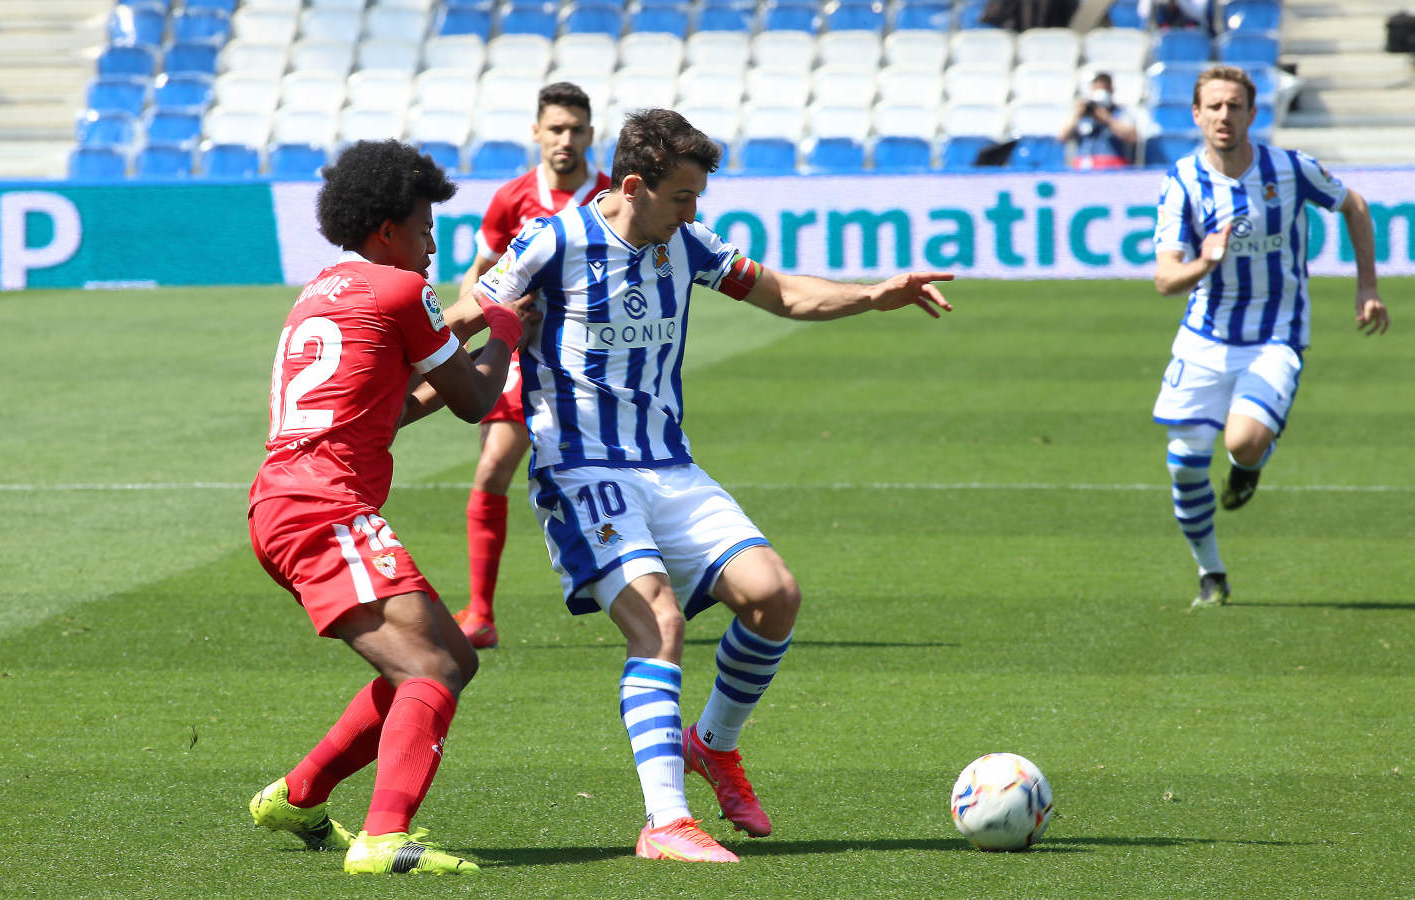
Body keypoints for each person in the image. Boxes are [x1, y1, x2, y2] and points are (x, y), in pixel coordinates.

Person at [469, 108, 954, 862]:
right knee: (657, 623)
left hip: (669, 465)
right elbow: (467, 310)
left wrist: (873, 295)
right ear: (634, 186)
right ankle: (665, 823)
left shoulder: (685, 242)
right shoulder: (552, 241)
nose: (696, 213)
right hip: (582, 469)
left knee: (774, 597)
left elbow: (782, 294)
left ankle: (713, 744)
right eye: (684, 198)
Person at [244, 139, 534, 875]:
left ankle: (300, 796)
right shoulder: (403, 293)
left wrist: (470, 322)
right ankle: (383, 838)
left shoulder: (322, 292)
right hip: (323, 508)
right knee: (430, 672)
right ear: (386, 231)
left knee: (449, 658)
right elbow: (474, 402)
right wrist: (503, 333)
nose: (434, 241)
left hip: (287, 503)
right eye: (424, 225)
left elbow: (391, 409)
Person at [1150, 65, 1389, 609]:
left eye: (1234, 106)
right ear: (1196, 114)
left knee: (1243, 442)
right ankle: (1211, 571)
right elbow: (1166, 278)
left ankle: (1247, 468)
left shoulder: (1290, 168)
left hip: (1276, 335)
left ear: (1252, 114)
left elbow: (1354, 204)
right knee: (1185, 464)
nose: (1224, 116)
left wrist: (1367, 285)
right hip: (1204, 338)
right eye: (1213, 106)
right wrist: (1203, 262)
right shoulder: (1181, 182)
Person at [450, 82, 612, 650]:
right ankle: (481, 614)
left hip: (597, 364)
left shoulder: (614, 197)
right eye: (556, 128)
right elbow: (481, 271)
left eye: (576, 129)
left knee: (618, 473)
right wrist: (476, 320)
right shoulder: (512, 198)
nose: (565, 139)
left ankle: (639, 584)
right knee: (493, 469)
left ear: (591, 135)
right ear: (537, 133)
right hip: (523, 356)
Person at [1060, 72, 1138, 170]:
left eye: (1104, 89)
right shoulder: (1084, 113)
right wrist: (1077, 114)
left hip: (1114, 170)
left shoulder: (1121, 112)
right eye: (1096, 88)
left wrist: (1107, 118)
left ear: (1111, 90)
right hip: (1084, 168)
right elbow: (1062, 137)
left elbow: (1132, 137)